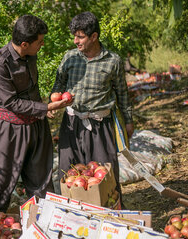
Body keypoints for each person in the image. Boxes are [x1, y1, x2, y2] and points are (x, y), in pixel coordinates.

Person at [0, 14, 72, 214]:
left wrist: (43, 110)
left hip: (36, 125)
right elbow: (11, 102)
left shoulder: (31, 55)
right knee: (0, 180)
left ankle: (46, 221)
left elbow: (32, 89)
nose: (42, 45)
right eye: (39, 42)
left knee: (41, 180)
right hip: (9, 130)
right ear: (24, 43)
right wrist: (46, 108)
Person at [51, 11, 134, 203]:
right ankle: (71, 216)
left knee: (104, 174)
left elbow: (122, 94)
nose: (75, 41)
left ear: (94, 36)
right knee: (68, 173)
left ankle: (111, 215)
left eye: (80, 37)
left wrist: (128, 121)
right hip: (71, 124)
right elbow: (58, 86)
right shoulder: (70, 58)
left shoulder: (113, 61)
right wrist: (53, 102)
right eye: (74, 36)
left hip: (100, 125)